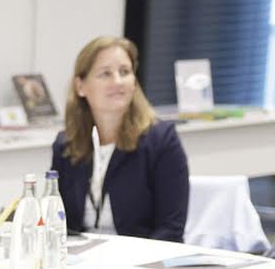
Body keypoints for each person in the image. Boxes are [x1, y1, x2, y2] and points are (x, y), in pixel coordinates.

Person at [50, 35, 189, 241]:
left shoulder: (161, 140)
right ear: (80, 86)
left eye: (124, 72)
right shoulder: (66, 145)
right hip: (78, 257)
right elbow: (57, 221)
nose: (117, 81)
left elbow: (171, 229)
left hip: (143, 256)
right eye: (105, 74)